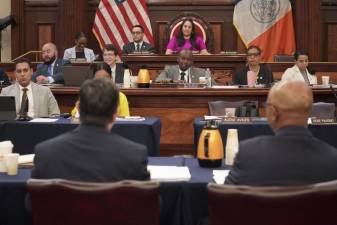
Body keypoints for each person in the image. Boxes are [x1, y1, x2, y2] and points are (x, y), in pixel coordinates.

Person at [31, 78, 149, 182]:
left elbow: (32, 203)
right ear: (115, 114)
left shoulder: (45, 153)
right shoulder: (135, 155)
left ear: (78, 108)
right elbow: (148, 204)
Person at [225, 80, 337, 186]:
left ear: (273, 112)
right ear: (309, 111)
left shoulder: (248, 152)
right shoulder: (332, 159)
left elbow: (224, 197)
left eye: (267, 106)